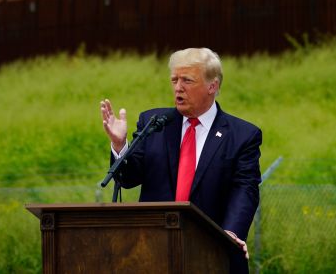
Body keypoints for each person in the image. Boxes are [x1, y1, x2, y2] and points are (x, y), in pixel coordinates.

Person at [100, 47, 261, 272]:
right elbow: (128, 178)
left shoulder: (242, 135)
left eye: (187, 80)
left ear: (212, 86)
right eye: (174, 79)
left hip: (212, 253)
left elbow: (245, 189)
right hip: (153, 252)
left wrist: (230, 234)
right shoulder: (154, 123)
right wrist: (119, 145)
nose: (178, 87)